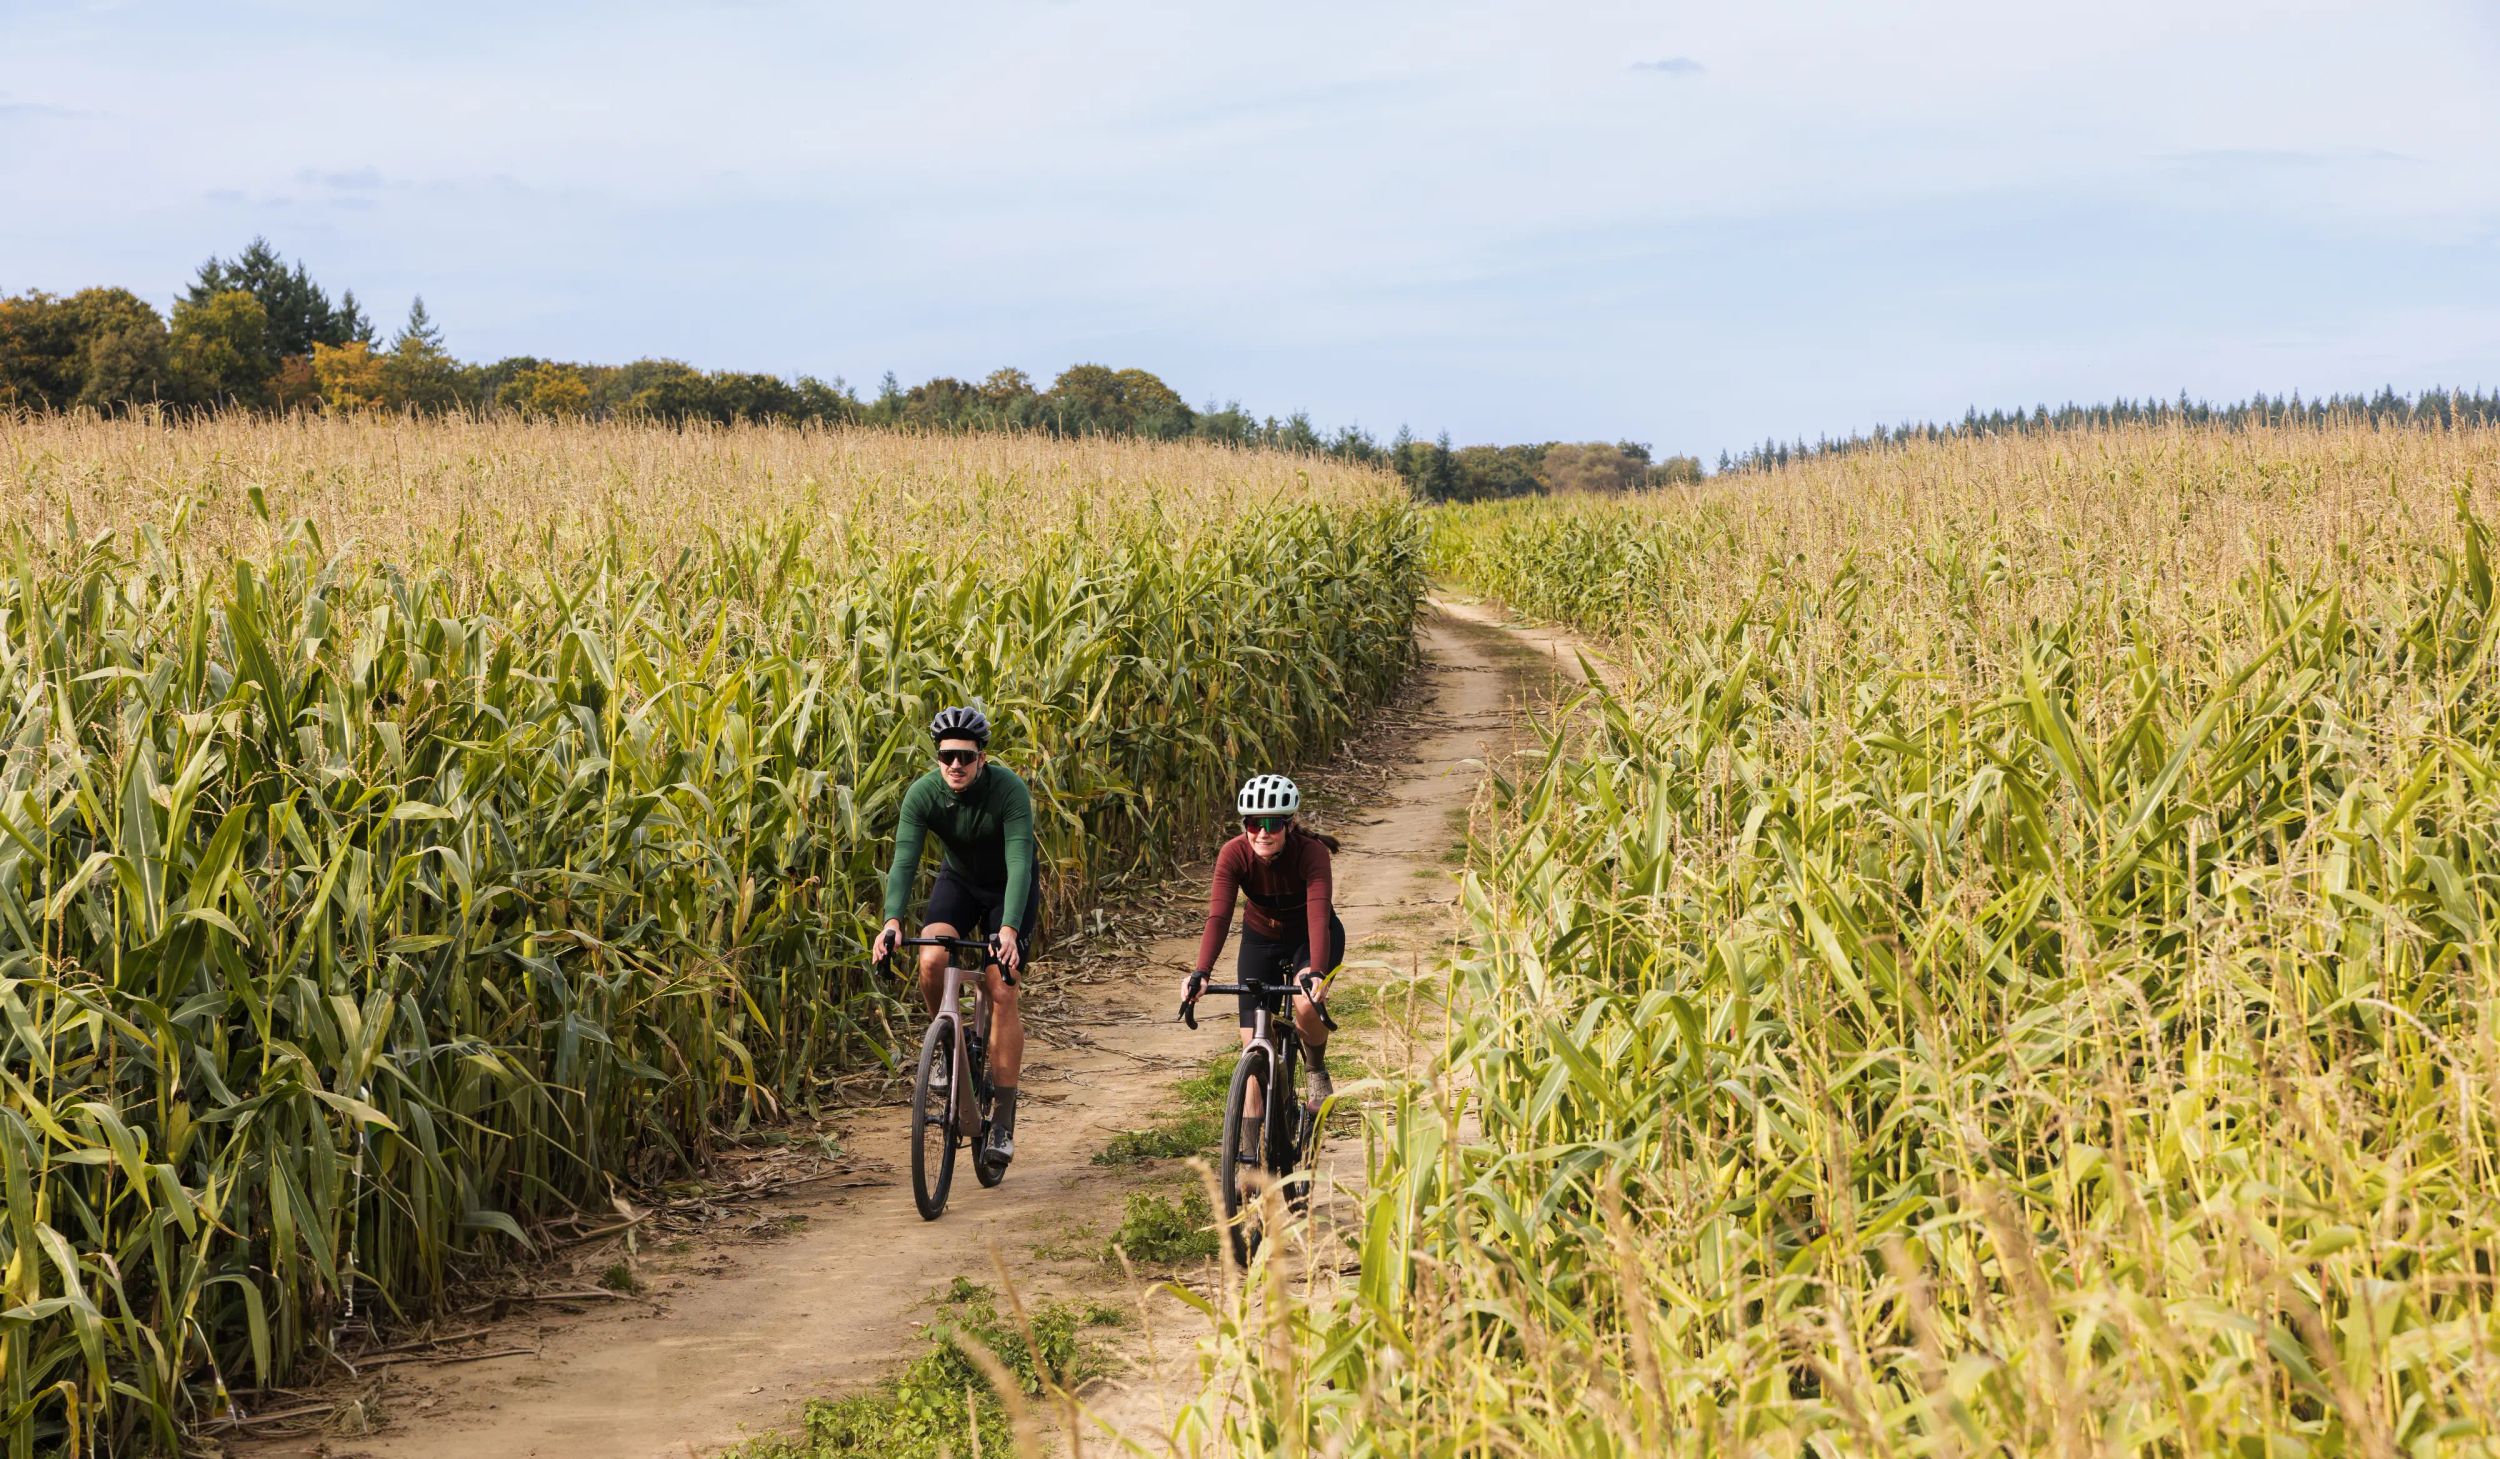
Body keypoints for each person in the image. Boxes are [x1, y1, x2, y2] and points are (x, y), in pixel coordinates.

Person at [872, 705, 1039, 1165]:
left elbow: (1021, 862)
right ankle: (948, 1044)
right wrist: (891, 921)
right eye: (946, 757)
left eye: (965, 757)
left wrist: (1006, 929)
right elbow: (904, 861)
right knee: (930, 958)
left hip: (1009, 887)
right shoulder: (923, 795)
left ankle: (1002, 1121)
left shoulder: (1009, 791)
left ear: (982, 757)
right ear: (937, 758)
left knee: (1001, 986)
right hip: (960, 883)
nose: (955, 766)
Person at [1180, 773, 1344, 1123]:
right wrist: (1201, 972)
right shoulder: (1234, 854)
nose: (1262, 832)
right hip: (1261, 940)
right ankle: (1252, 1167)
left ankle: (1315, 1069)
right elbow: (1219, 917)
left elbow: (1317, 914)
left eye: (1272, 823)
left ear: (1289, 824)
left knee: (1305, 1003)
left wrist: (1316, 971)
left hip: (1309, 938)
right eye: (1254, 823)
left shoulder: (1311, 853)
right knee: (1254, 1045)